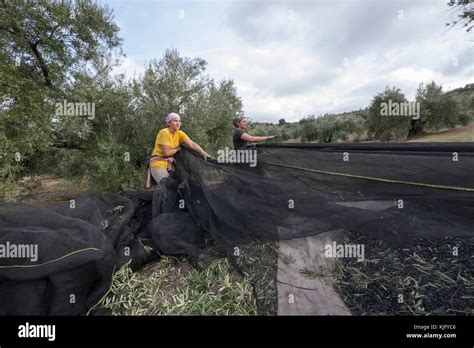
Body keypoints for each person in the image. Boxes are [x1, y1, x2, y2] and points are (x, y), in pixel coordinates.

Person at [146, 112, 211, 187]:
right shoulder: (164, 133)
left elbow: (192, 144)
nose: (178, 123)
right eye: (175, 121)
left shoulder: (180, 133)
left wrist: (203, 153)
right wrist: (177, 149)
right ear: (169, 123)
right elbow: (166, 153)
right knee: (166, 188)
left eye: (179, 121)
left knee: (176, 188)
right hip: (158, 164)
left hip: (170, 165)